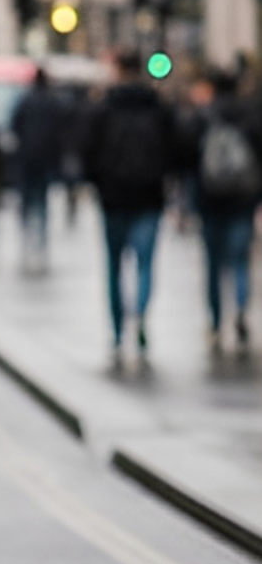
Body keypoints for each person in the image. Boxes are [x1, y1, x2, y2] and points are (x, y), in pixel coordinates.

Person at [82, 50, 177, 366]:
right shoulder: (158, 106)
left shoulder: (104, 106)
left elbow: (87, 150)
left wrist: (95, 182)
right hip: (150, 196)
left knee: (114, 265)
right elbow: (175, 149)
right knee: (145, 263)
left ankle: (119, 329)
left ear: (118, 70)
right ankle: (140, 315)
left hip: (113, 198)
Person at [190, 67, 262, 350]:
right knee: (241, 259)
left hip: (210, 200)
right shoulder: (251, 116)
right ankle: (241, 310)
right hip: (243, 199)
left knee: (212, 263)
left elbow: (188, 157)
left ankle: (216, 321)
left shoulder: (203, 117)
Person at [10, 66, 63, 268]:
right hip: (45, 162)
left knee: (26, 203)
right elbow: (60, 132)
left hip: (26, 161)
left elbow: (14, 127)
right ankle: (40, 246)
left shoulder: (25, 101)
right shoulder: (53, 102)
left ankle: (26, 244)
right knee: (41, 204)